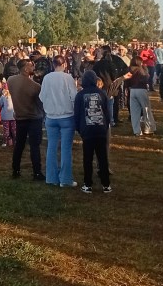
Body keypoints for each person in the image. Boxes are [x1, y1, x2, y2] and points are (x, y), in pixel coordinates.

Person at [40, 55, 77, 187]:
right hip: (66, 116)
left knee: (51, 146)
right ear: (64, 64)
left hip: (51, 117)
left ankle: (51, 177)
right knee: (66, 148)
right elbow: (74, 96)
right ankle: (65, 179)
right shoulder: (68, 78)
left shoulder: (47, 78)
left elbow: (42, 96)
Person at [74, 70, 111, 194]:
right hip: (100, 129)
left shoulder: (80, 95)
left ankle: (88, 184)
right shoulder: (102, 93)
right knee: (102, 158)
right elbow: (107, 112)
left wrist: (79, 129)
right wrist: (105, 127)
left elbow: (77, 114)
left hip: (87, 130)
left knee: (87, 158)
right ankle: (106, 184)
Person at [7, 59, 44, 180]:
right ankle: (37, 172)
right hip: (33, 118)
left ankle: (16, 170)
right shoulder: (35, 86)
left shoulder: (11, 80)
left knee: (19, 145)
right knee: (34, 146)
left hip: (19, 116)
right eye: (31, 66)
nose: (33, 67)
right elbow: (40, 103)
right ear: (25, 69)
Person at [125, 56, 155, 137]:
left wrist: (127, 88)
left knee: (134, 112)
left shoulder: (129, 69)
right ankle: (149, 129)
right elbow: (146, 79)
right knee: (146, 110)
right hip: (141, 90)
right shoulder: (142, 69)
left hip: (132, 90)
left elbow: (126, 81)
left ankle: (137, 131)